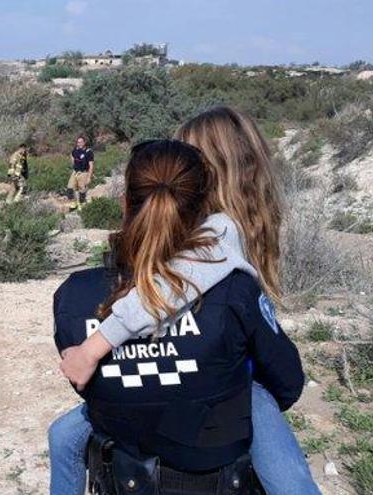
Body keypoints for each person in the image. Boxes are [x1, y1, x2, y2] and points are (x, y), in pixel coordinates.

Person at [50, 107, 321, 495]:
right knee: (289, 477)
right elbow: (286, 382)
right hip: (223, 400)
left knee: (64, 435)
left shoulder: (213, 240)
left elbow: (160, 293)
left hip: (158, 416)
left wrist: (96, 347)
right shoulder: (226, 239)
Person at [67, 136, 94, 211]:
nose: (79, 144)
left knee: (82, 190)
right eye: (78, 142)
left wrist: (89, 177)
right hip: (75, 172)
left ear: (84, 142)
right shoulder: (76, 149)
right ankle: (73, 204)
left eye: (81, 142)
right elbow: (72, 155)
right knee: (70, 188)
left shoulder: (88, 152)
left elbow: (91, 165)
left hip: (84, 173)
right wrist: (73, 164)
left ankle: (82, 205)